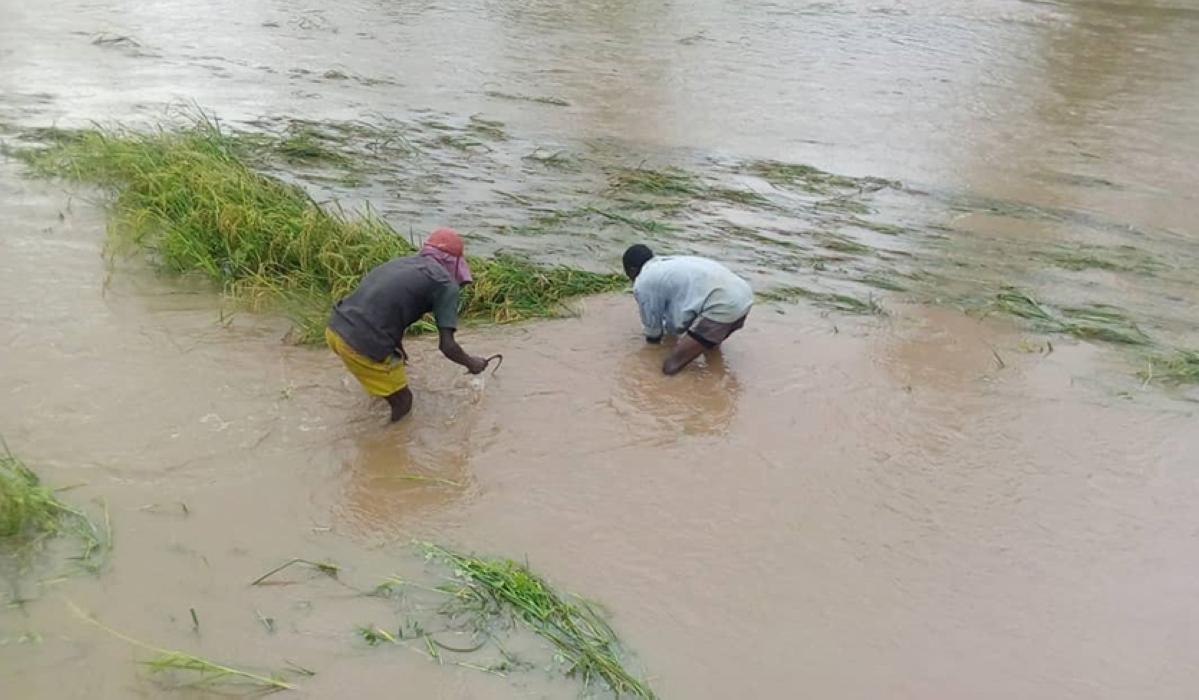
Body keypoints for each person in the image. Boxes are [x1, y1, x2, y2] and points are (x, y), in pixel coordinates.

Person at [326, 228, 490, 422]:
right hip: (361, 344)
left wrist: (400, 352)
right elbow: (447, 346)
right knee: (404, 402)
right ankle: (385, 449)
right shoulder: (446, 284)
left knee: (387, 387)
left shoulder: (401, 263)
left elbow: (386, 310)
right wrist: (473, 363)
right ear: (455, 263)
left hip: (335, 329)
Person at [622, 244, 753, 376]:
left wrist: (651, 352)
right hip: (744, 296)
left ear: (632, 270)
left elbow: (653, 331)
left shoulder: (644, 280)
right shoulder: (668, 264)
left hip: (723, 305)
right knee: (710, 348)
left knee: (670, 366)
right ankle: (716, 382)